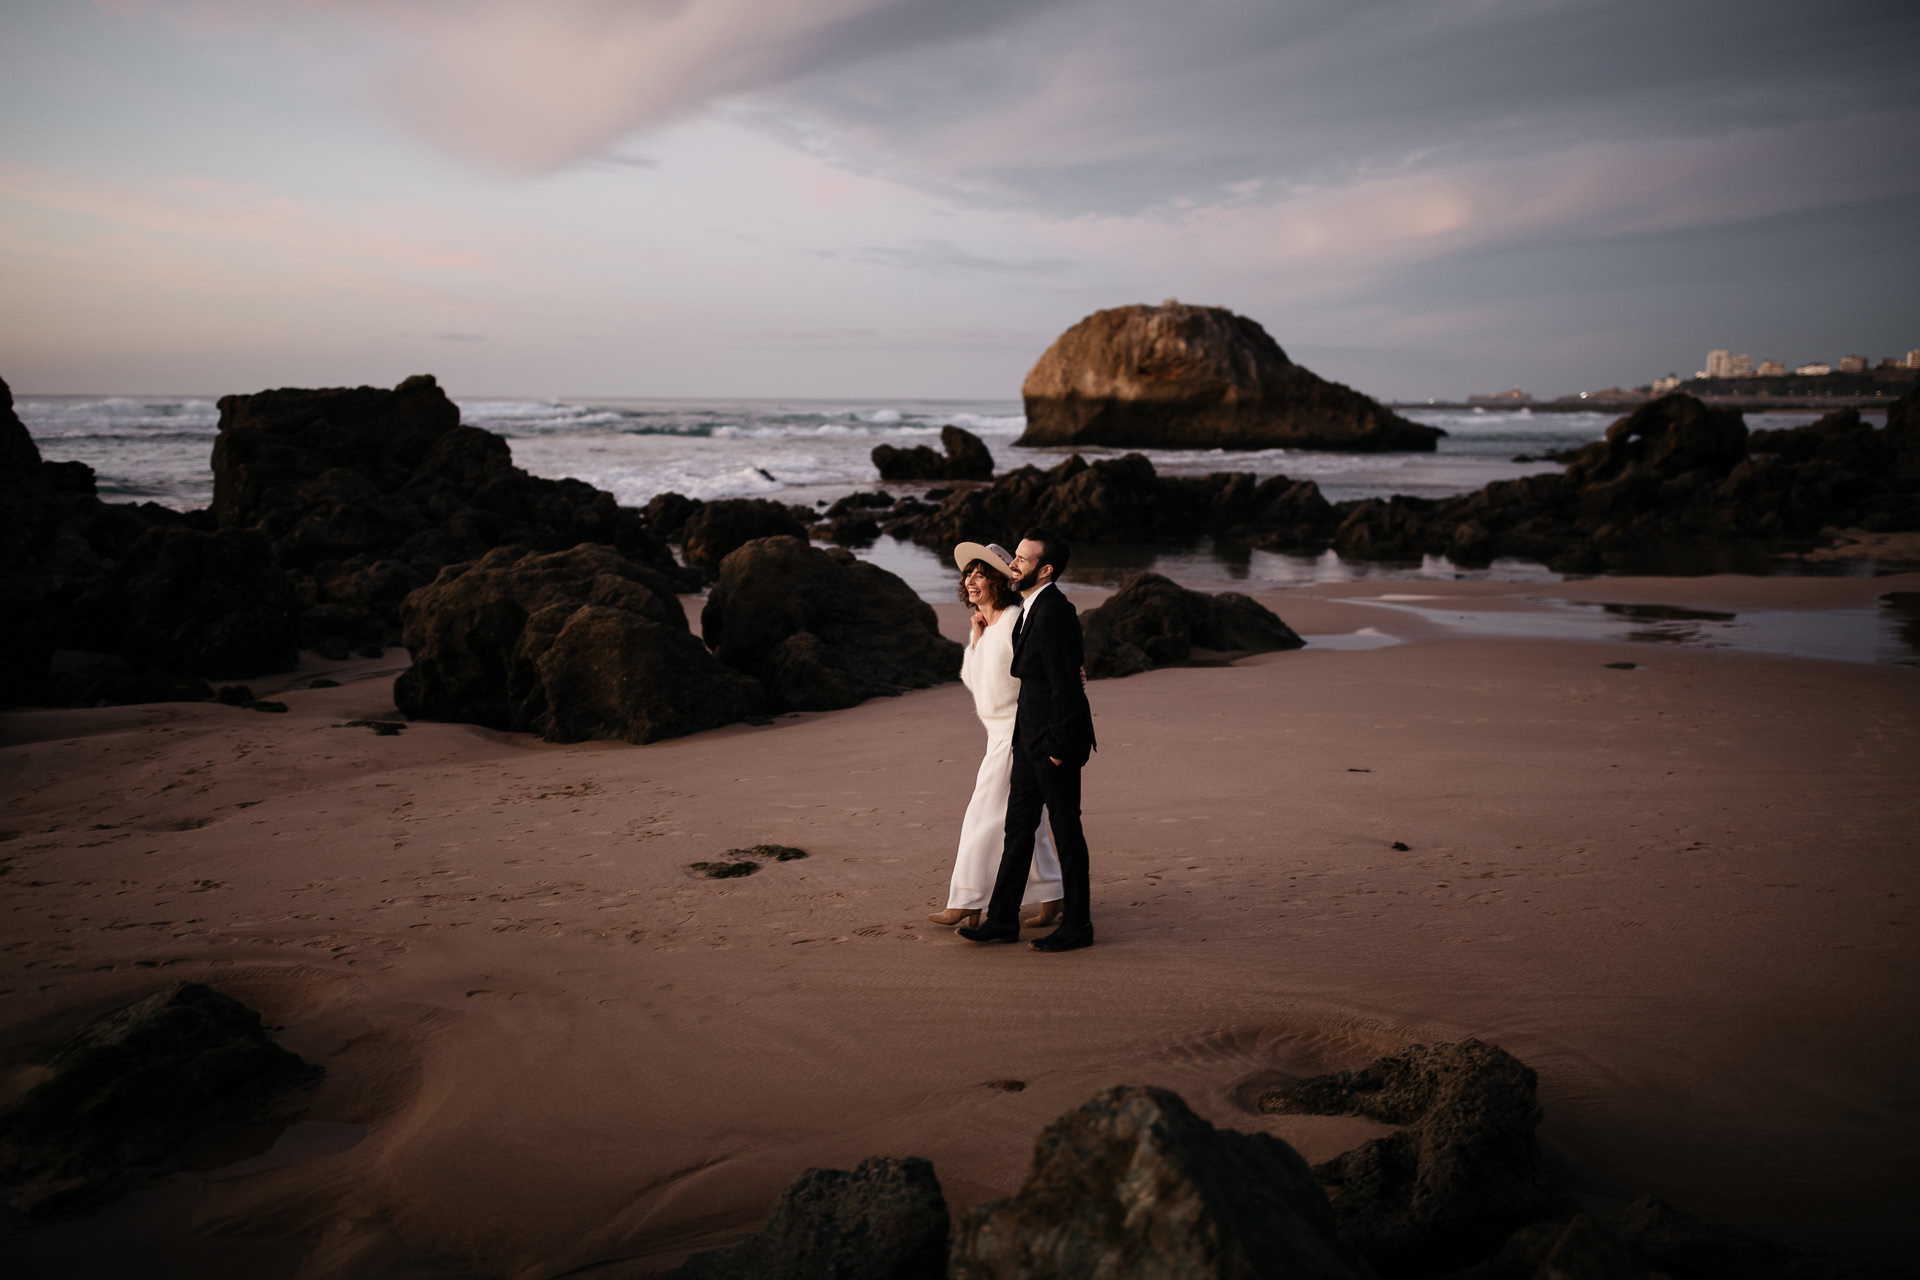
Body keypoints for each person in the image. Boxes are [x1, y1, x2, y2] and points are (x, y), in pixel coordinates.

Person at [960, 528, 1098, 952]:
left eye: (1022, 559)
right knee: (1017, 832)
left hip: (1053, 746)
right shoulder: (1030, 608)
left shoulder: (1055, 610)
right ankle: (1002, 920)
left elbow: (1066, 687)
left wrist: (1058, 747)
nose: (1014, 564)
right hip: (1027, 740)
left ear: (1046, 569)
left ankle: (1078, 926)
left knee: (1066, 834)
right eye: (1015, 557)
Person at [928, 543, 1065, 930]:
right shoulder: (988, 626)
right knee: (1026, 822)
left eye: (981, 574)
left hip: (1018, 732)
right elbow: (973, 682)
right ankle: (1053, 892)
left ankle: (967, 901)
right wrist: (974, 639)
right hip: (997, 734)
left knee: (982, 817)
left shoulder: (1015, 621)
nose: (971, 581)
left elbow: (1044, 672)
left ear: (999, 581)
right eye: (968, 574)